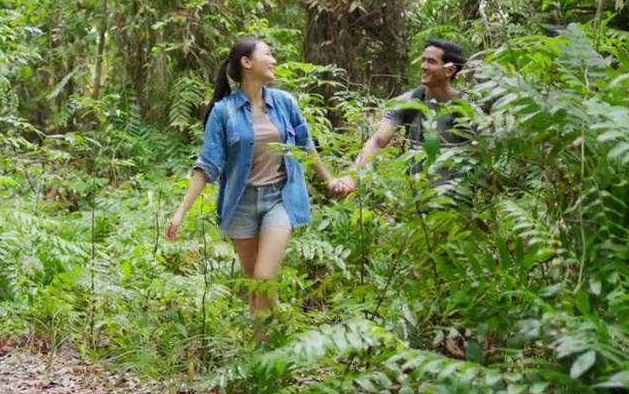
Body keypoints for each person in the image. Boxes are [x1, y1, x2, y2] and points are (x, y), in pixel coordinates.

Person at [165, 37, 340, 320]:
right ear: (247, 63)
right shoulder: (224, 112)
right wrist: (179, 214)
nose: (273, 60)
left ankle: (273, 342)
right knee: (255, 286)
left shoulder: (285, 103)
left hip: (280, 198)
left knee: (262, 277)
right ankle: (263, 348)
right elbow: (207, 165)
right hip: (241, 203)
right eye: (267, 54)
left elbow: (306, 145)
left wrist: (329, 180)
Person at [331, 39, 474, 198]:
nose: (424, 66)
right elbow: (378, 140)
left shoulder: (466, 109)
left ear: (450, 71)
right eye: (423, 60)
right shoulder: (410, 101)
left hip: (457, 203)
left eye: (431, 62)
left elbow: (486, 150)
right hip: (418, 201)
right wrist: (351, 178)